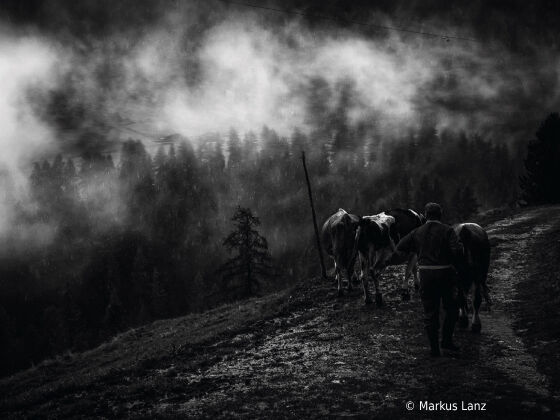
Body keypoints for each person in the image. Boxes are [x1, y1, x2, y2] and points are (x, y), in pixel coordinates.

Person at [396, 202, 464, 357]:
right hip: (445, 273)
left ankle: (434, 349)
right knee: (452, 309)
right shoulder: (448, 230)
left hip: (426, 275)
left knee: (430, 312)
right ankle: (446, 341)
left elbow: (400, 246)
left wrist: (419, 250)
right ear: (440, 214)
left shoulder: (417, 232)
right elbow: (457, 251)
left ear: (425, 215)